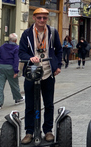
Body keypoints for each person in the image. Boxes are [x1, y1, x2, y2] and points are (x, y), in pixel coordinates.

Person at [19, 8, 62, 144]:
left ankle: (48, 130)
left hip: (48, 72)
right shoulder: (26, 34)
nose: (42, 20)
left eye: (44, 18)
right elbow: (21, 52)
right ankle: (29, 132)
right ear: (34, 18)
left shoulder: (53, 32)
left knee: (48, 104)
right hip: (31, 73)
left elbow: (59, 50)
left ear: (47, 19)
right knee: (30, 105)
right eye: (39, 18)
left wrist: (58, 66)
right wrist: (30, 57)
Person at [0, 33, 23, 110]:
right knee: (14, 83)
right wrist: (16, 71)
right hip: (10, 66)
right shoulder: (17, 48)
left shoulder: (2, 46)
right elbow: (16, 60)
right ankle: (17, 98)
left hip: (1, 66)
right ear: (16, 40)